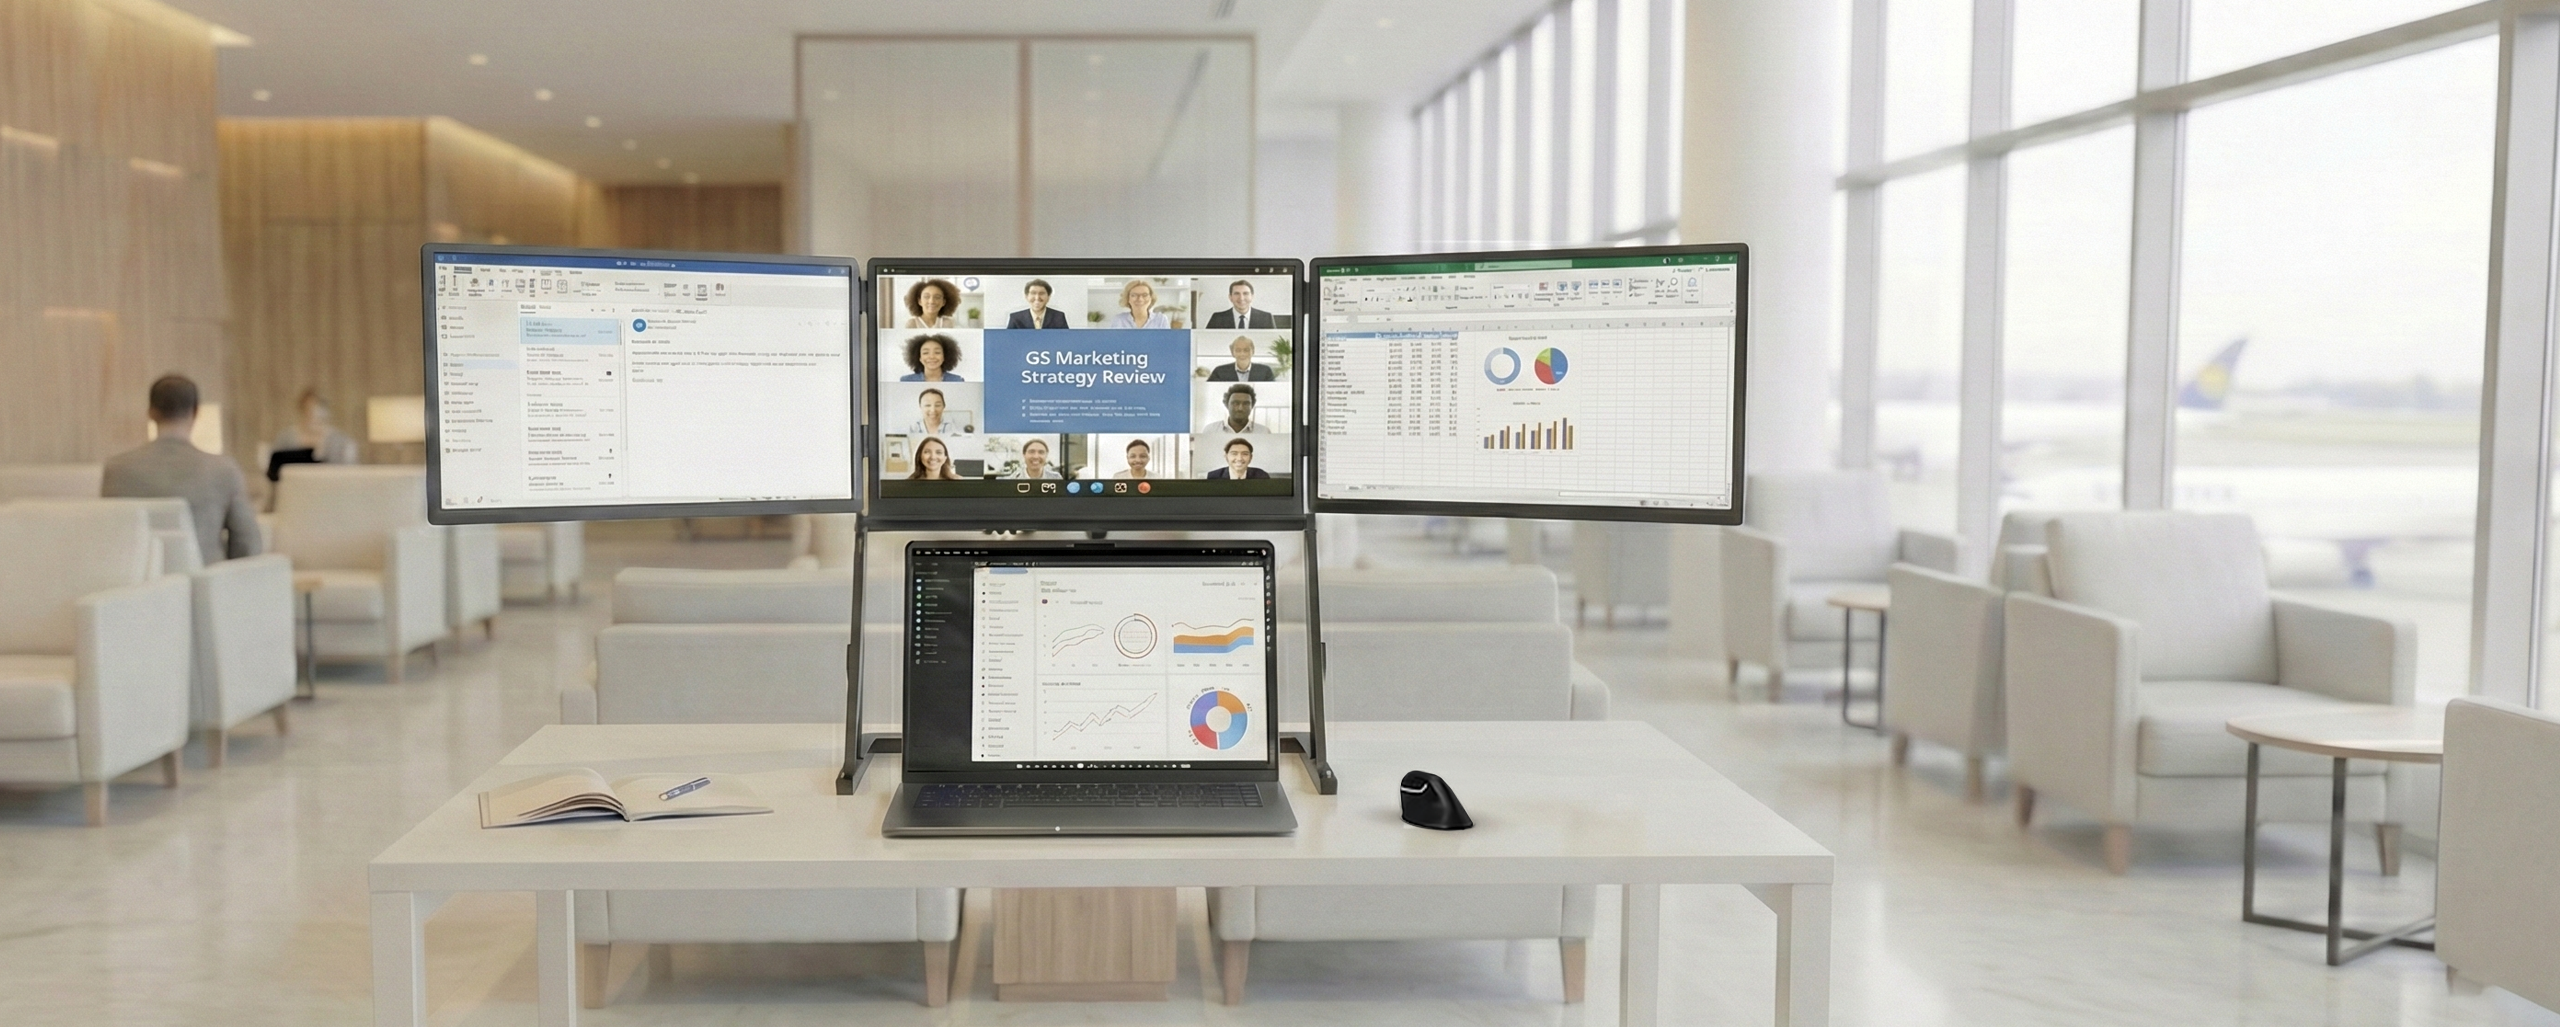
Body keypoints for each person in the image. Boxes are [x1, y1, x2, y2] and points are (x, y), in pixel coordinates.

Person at [102, 374, 262, 565]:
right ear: (195, 412)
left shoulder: (117, 470)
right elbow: (248, 545)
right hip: (205, 586)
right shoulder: (223, 470)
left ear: (151, 413)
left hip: (139, 589)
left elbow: (109, 541)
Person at [271, 387, 360, 466]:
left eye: (319, 416)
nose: (314, 419)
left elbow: (349, 472)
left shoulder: (340, 441)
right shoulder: (286, 438)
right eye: (309, 412)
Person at [1202, 279, 1276, 329]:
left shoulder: (1266, 318)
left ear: (1252, 296)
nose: (1241, 298)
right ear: (1230, 297)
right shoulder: (1217, 318)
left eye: (1245, 293)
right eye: (1237, 294)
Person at [1198, 383, 1267, 435]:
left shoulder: (1264, 432)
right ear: (1227, 405)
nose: (1240, 408)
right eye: (1235, 403)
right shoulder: (1210, 430)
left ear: (1252, 406)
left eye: (1246, 404)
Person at [903, 387, 973, 436]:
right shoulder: (912, 427)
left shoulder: (952, 425)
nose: (933, 410)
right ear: (920, 407)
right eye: (927, 405)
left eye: (937, 405)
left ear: (943, 406)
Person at [1103, 279, 1170, 328]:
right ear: (1127, 298)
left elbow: (1166, 345)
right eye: (1134, 295)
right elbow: (1114, 345)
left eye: (1145, 295)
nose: (1140, 299)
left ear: (1151, 298)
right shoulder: (1119, 320)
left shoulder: (1161, 319)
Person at [1204, 336, 1276, 382]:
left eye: (1246, 350)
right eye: (1238, 350)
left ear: (1253, 351)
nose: (1242, 353)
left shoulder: (1265, 371)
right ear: (1232, 352)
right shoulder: (1219, 371)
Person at [898, 333, 965, 382]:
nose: (932, 356)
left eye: (937, 352)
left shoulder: (957, 380)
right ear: (919, 357)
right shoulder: (906, 381)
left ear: (945, 356)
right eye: (925, 353)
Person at [1204, 437, 1269, 480]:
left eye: (1245, 454)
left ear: (1251, 457)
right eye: (1234, 453)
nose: (1239, 458)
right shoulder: (1214, 476)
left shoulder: (1261, 476)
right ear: (1226, 456)